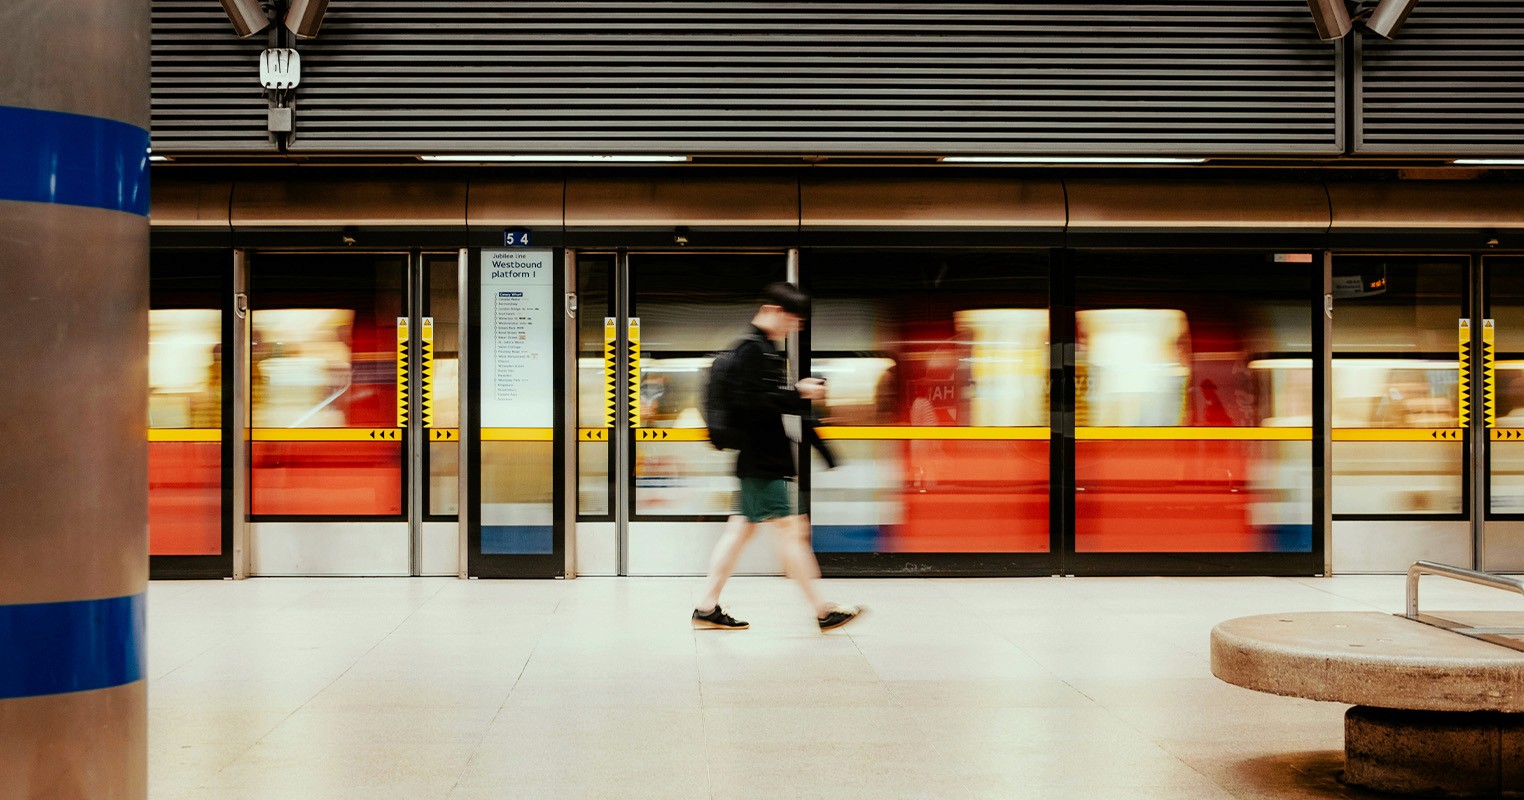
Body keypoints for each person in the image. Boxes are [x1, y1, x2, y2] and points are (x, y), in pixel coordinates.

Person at [692, 282, 865, 633]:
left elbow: (768, 403)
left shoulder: (764, 350)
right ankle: (823, 610)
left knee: (741, 531)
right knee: (790, 533)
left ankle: (707, 606)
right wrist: (797, 393)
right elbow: (750, 405)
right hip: (763, 462)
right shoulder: (752, 351)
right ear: (772, 311)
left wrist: (820, 443)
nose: (791, 329)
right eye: (790, 322)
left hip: (760, 461)